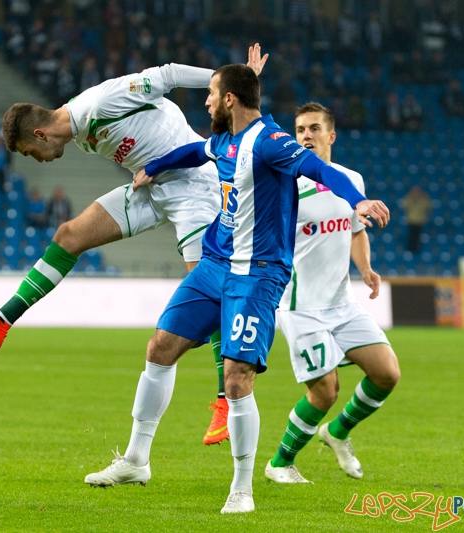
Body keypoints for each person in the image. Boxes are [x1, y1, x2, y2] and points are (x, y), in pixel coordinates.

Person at [83, 65, 389, 514]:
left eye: (211, 93)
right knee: (160, 347)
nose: (205, 101)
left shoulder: (272, 143)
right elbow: (193, 152)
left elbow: (318, 169)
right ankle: (135, 460)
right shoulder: (224, 142)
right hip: (214, 266)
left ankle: (242, 488)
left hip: (257, 274)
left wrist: (356, 200)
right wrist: (154, 166)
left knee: (236, 378)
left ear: (229, 99)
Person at [0, 45, 270, 447]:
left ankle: (224, 398)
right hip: (150, 186)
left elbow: (165, 75)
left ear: (40, 133)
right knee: (69, 235)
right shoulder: (81, 133)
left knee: (207, 285)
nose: (39, 160)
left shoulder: (102, 101)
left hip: (194, 186)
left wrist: (231, 79)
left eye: (32, 152)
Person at [264, 102, 400, 485]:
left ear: (330, 136)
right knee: (325, 391)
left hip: (342, 303)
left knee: (387, 373)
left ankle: (337, 432)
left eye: (313, 128)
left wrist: (366, 268)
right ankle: (280, 462)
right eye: (300, 129)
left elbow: (356, 230)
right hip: (301, 305)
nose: (305, 135)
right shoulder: (285, 185)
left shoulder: (350, 179)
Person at [401, 185, 432, 253]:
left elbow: (429, 206)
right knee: (411, 237)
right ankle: (410, 250)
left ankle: (417, 251)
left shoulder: (423, 199)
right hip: (411, 221)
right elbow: (403, 205)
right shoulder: (409, 199)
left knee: (418, 237)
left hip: (419, 221)